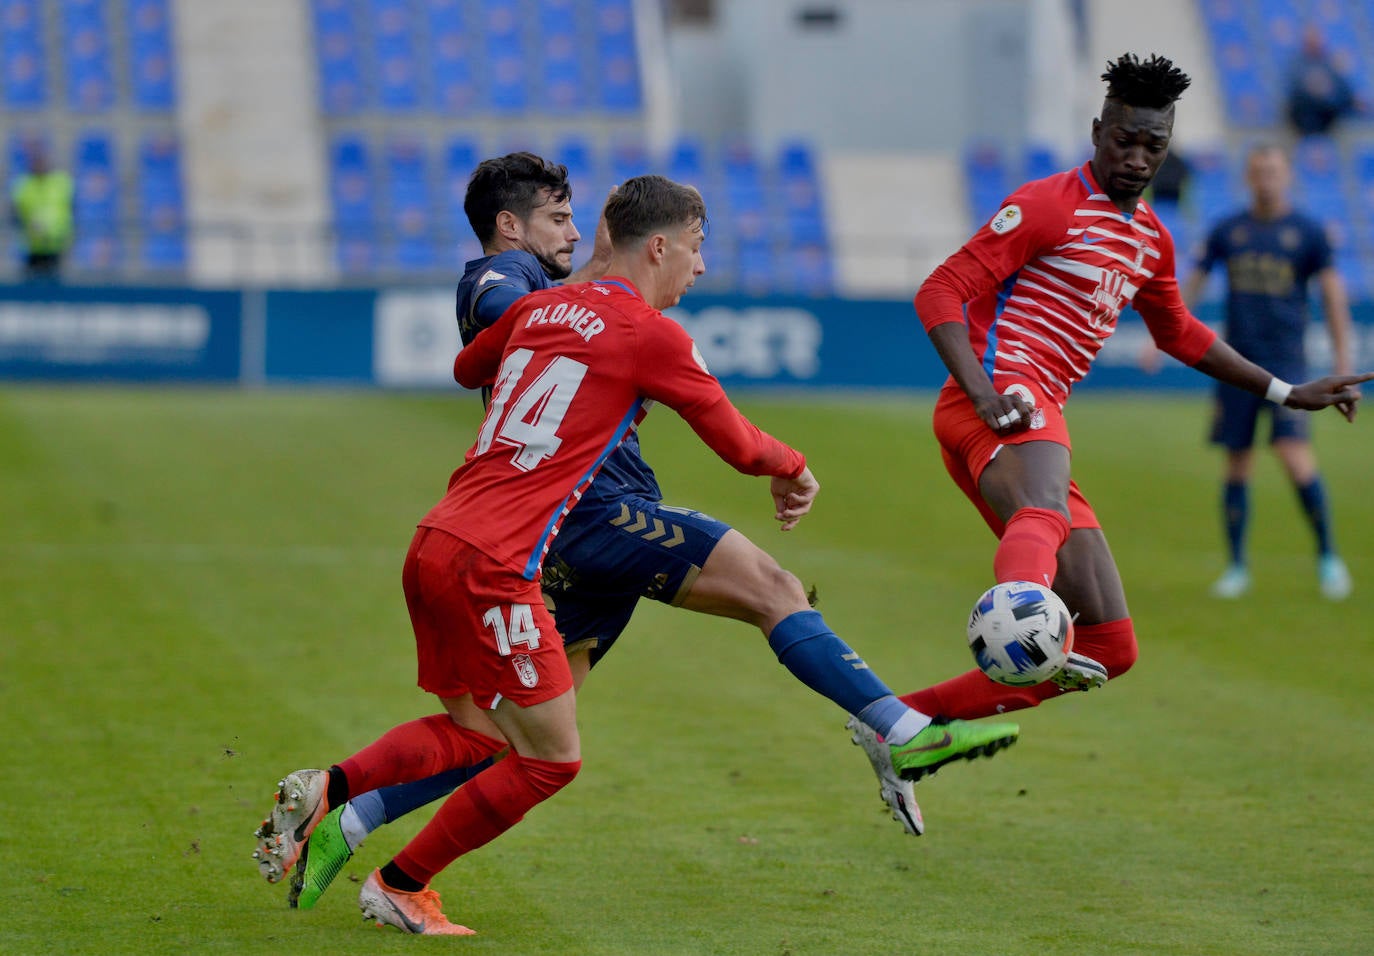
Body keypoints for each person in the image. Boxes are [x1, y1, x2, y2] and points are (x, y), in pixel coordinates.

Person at [254, 174, 1019, 935]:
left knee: (486, 736)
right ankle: (398, 881)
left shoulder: (542, 308)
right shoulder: (646, 332)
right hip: (504, 558)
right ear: (659, 246)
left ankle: (339, 800)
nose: (701, 265)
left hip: (436, 542)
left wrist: (554, 329)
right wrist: (792, 466)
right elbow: (735, 439)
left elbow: (466, 369)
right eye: (696, 247)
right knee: (554, 756)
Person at [863, 53, 1370, 741]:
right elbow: (940, 290)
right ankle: (1016, 613)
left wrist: (1285, 390)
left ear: (1168, 148)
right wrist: (983, 392)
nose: (1136, 157)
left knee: (1110, 644)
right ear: (1098, 129)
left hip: (1027, 416)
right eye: (1123, 139)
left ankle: (899, 722)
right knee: (1043, 516)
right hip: (1006, 394)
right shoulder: (1047, 204)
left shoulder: (1151, 241)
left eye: (1152, 145)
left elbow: (1181, 333)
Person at [1182, 144, 1354, 600]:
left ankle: (1328, 558)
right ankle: (1237, 567)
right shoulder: (1228, 230)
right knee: (1237, 462)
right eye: (1258, 172)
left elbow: (1333, 297)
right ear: (1247, 177)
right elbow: (1194, 279)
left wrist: (1342, 362)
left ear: (1287, 177)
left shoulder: (1309, 233)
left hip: (1288, 362)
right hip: (1237, 364)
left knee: (1293, 453)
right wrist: (1169, 331)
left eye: (1273, 172)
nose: (1265, 180)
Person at [8, 139, 74, 281]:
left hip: (56, 245)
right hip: (31, 247)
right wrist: (27, 225)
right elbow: (14, 214)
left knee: (56, 285)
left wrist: (67, 236)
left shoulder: (62, 183)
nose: (40, 164)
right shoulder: (22, 185)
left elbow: (72, 211)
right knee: (32, 286)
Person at [1285, 26, 1358, 138]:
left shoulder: (1329, 64)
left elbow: (1344, 91)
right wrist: (1314, 89)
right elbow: (1294, 92)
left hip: (1329, 116)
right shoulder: (1296, 64)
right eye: (1311, 40)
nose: (1315, 43)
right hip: (1304, 118)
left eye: (1317, 39)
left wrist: (1327, 92)